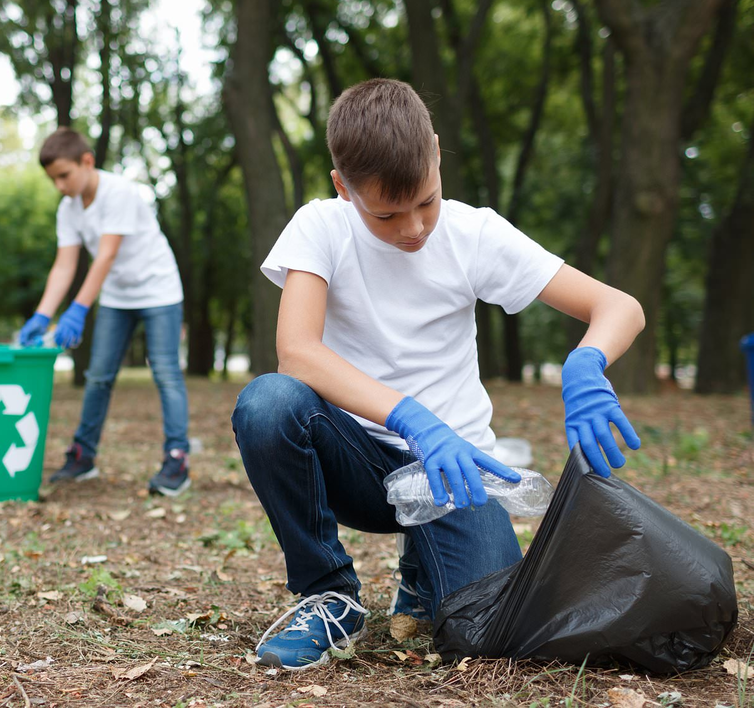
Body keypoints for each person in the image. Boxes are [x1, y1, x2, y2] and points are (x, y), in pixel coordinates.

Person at [231, 79, 644, 671]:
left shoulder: (474, 234)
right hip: (356, 460)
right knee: (268, 403)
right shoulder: (319, 226)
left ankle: (422, 576)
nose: (414, 228)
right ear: (342, 188)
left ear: (436, 152)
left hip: (452, 473)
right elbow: (297, 353)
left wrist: (586, 361)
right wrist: (411, 417)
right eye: (386, 213)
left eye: (427, 200)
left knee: (485, 635)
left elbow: (619, 306)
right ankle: (328, 594)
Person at [19, 127, 192, 496]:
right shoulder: (68, 209)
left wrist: (78, 309)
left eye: (64, 176)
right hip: (117, 295)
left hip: (158, 289)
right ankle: (83, 456)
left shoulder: (119, 193)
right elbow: (64, 266)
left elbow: (106, 255)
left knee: (165, 372)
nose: (60, 186)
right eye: (53, 180)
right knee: (98, 375)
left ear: (87, 161)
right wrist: (41, 315)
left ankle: (177, 459)